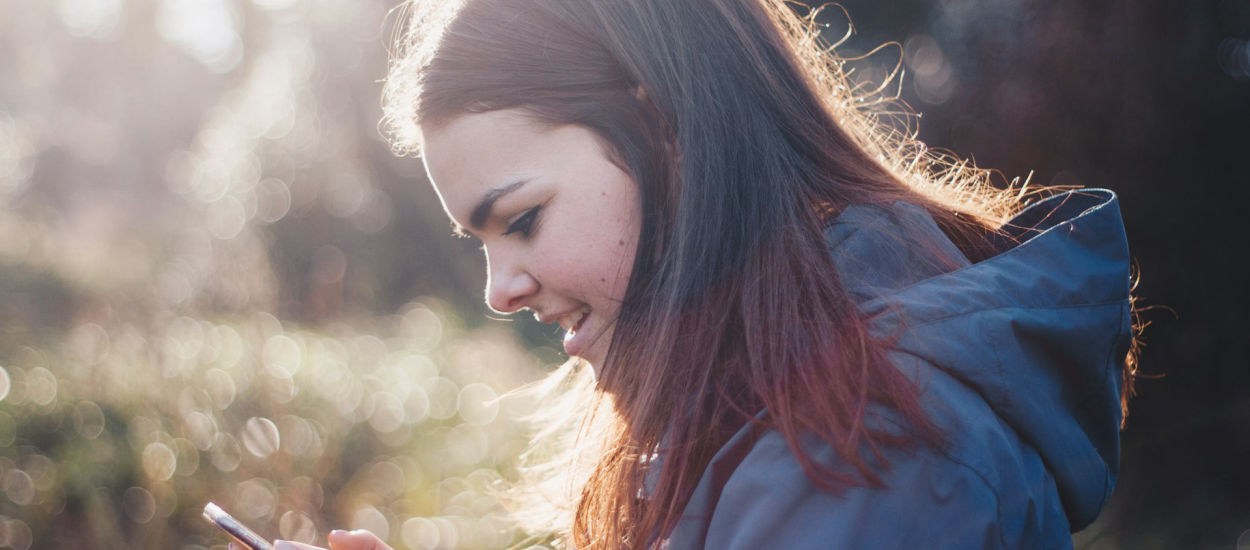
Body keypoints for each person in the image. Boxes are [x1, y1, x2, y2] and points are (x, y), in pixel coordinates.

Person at [261, 0, 1139, 548]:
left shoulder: (867, 447)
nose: (498, 289)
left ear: (669, 132)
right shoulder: (766, 400)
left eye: (522, 220)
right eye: (480, 242)